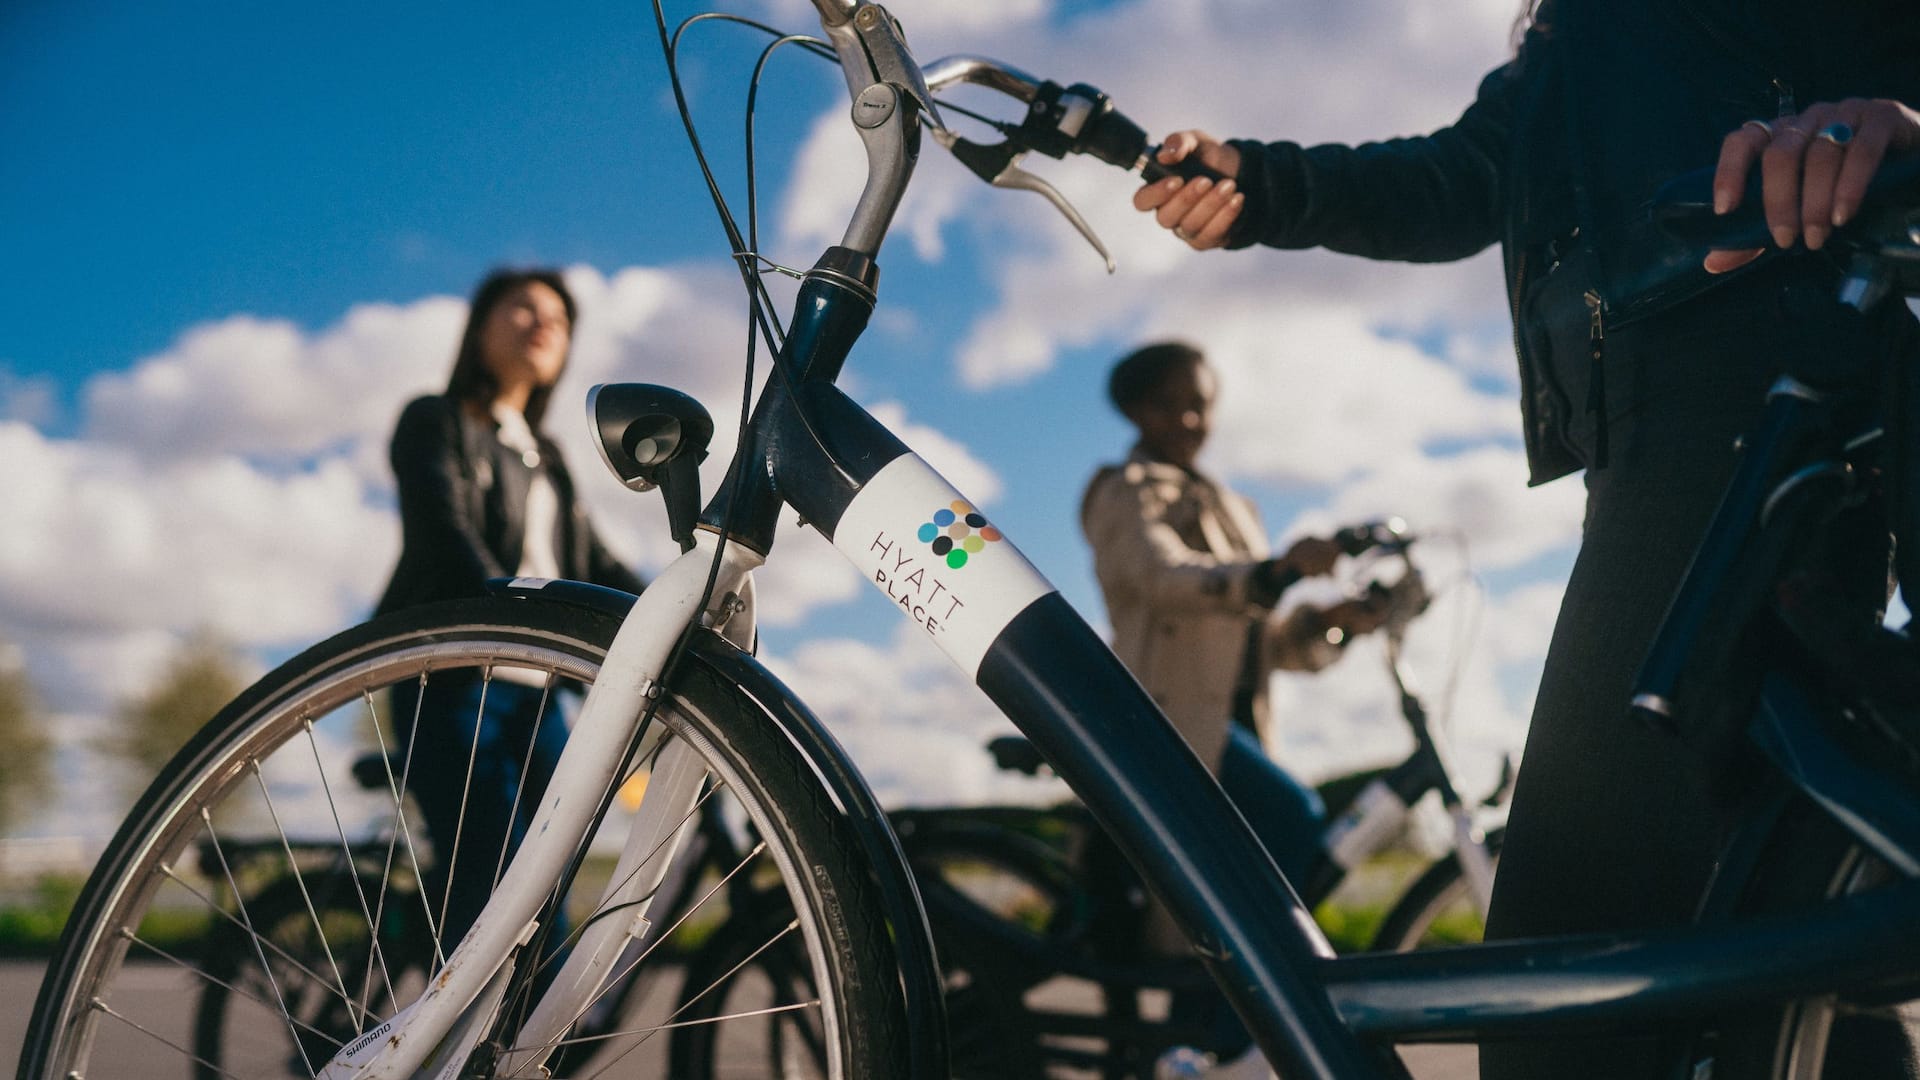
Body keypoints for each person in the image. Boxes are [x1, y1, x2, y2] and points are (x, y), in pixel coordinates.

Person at [1132, 2, 1920, 1077]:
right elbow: (1455, 178)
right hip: (1648, 445)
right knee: (1762, 932)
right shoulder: (1571, 38)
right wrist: (1259, 182)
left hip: (1761, 408)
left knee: (1567, 976)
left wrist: (1894, 121)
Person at [1081, 341, 1400, 1077]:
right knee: (1291, 818)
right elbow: (1165, 578)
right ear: (1134, 410)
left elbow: (1265, 637)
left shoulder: (1233, 504)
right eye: (1171, 403)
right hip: (1172, 723)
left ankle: (1204, 1031)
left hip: (1234, 726)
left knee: (1238, 879)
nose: (1192, 419)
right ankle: (1227, 1035)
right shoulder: (1122, 490)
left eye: (1202, 402)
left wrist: (1334, 620)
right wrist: (1279, 567)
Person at [375, 267, 646, 955]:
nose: (544, 322)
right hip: (459, 684)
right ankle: (487, 1055)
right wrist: (518, 616)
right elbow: (445, 533)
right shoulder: (433, 420)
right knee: (499, 893)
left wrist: (677, 608)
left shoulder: (546, 454)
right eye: (523, 307)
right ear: (481, 326)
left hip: (542, 698)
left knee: (547, 882)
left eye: (558, 316)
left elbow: (592, 561)